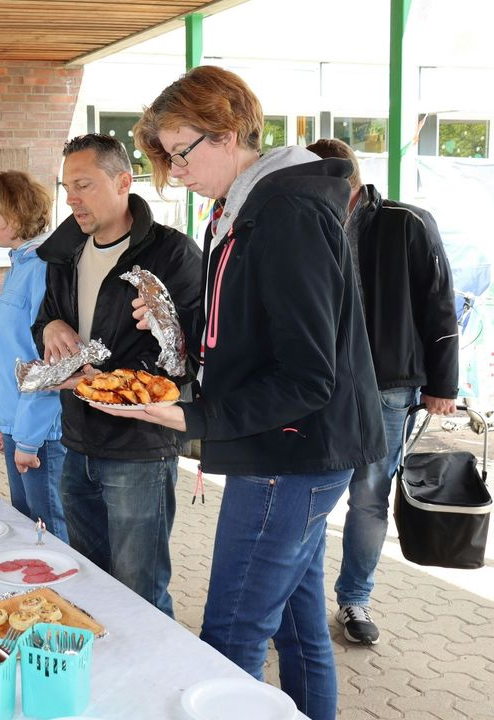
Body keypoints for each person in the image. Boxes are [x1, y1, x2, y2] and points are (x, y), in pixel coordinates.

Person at [121, 66, 385, 720]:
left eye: (180, 153)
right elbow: (252, 331)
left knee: (230, 640)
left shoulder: (285, 211)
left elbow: (307, 373)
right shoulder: (245, 208)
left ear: (228, 131)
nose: (175, 173)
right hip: (291, 451)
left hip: (288, 456)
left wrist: (191, 415)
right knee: (298, 634)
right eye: (166, 158)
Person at [32, 134, 201, 616]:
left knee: (140, 591)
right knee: (90, 583)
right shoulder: (63, 254)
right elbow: (44, 322)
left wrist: (117, 377)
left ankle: (154, 686)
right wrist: (52, 325)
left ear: (124, 181)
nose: (72, 199)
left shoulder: (173, 253)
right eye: (67, 187)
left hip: (139, 449)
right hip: (77, 441)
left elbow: (193, 351)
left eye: (83, 184)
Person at [307, 138, 459, 645]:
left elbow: (439, 302)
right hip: (318, 384)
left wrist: (443, 383)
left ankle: (354, 599)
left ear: (348, 179)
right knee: (308, 494)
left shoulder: (406, 222)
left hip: (388, 384)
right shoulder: (306, 222)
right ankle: (293, 597)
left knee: (369, 496)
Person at [0, 171, 68, 541]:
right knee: (25, 526)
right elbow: (10, 356)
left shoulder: (43, 267)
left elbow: (49, 362)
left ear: (14, 215)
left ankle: (65, 599)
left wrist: (29, 439)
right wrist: (1, 422)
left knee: (47, 531)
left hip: (37, 432)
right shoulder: (21, 264)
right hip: (17, 423)